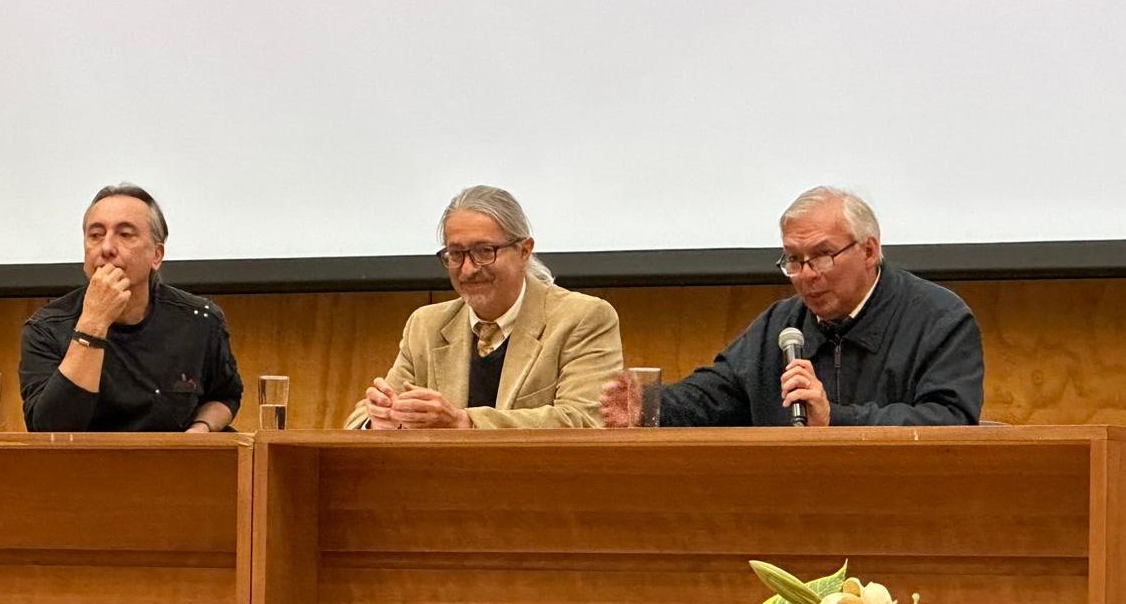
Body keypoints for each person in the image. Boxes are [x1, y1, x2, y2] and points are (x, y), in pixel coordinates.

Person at [601, 186, 984, 427]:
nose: (806, 275)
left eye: (821, 256)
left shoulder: (938, 319)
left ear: (869, 251)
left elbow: (949, 421)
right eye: (793, 260)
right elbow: (717, 395)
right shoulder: (782, 325)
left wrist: (836, 418)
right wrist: (651, 405)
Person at [345, 185, 622, 429]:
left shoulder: (583, 318)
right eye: (456, 254)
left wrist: (464, 422)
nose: (468, 269)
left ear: (524, 250)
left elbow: (585, 421)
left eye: (484, 252)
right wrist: (382, 422)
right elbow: (359, 420)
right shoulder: (427, 325)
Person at [19, 184, 242, 432]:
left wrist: (201, 428)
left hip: (172, 465)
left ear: (156, 255)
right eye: (95, 235)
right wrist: (94, 322)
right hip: (82, 466)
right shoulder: (46, 328)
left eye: (125, 235)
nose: (106, 248)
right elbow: (50, 430)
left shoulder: (199, 319)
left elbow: (225, 396)